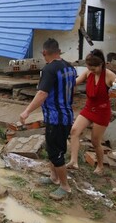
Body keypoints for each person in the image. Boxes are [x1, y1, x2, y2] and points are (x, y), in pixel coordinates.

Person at [20, 38, 77, 200]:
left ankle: (65, 187)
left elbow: (42, 94)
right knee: (53, 149)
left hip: (56, 118)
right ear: (59, 51)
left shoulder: (49, 69)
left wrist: (26, 112)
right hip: (66, 115)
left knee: (56, 153)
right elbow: (72, 91)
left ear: (45, 53)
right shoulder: (70, 67)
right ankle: (54, 177)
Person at [66, 49, 116, 175]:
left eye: (94, 68)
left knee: (95, 141)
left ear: (101, 65)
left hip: (102, 111)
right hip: (89, 108)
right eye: (89, 68)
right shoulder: (88, 72)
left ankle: (100, 166)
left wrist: (114, 87)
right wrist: (63, 83)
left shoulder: (110, 75)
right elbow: (75, 82)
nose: (91, 71)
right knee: (74, 131)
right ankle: (73, 162)